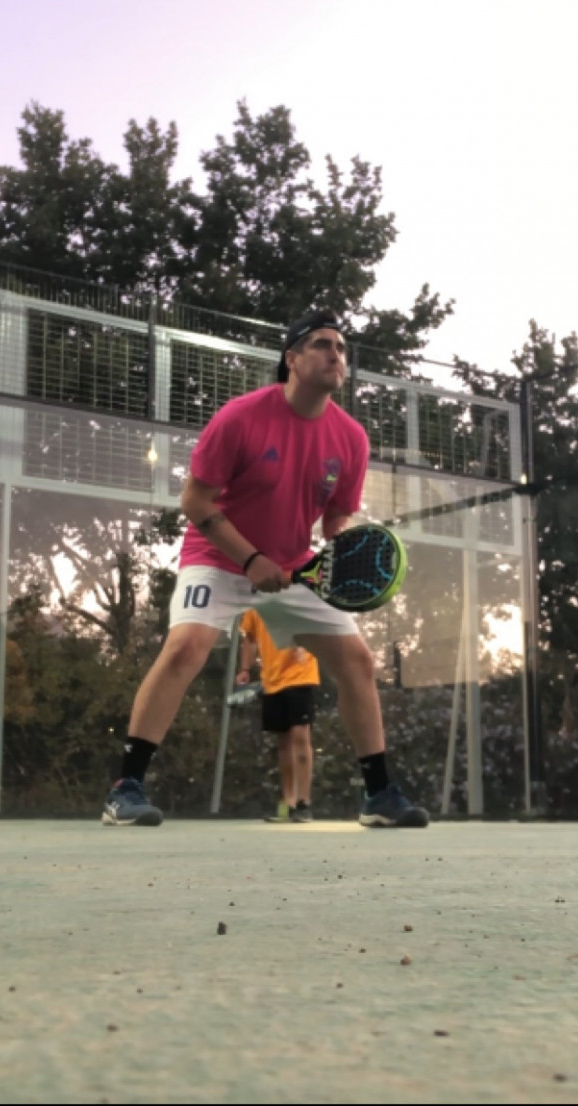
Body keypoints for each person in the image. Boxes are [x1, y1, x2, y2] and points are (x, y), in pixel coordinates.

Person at [102, 308, 429, 829]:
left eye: (342, 348)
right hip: (217, 557)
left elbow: (336, 518)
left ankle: (378, 795)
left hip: (294, 568)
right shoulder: (240, 417)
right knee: (185, 648)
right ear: (292, 358)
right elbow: (194, 501)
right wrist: (251, 559)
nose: (336, 355)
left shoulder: (351, 439)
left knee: (358, 662)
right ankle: (126, 789)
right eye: (323, 344)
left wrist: (345, 551)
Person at [238, 609, 317, 822]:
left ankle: (304, 803)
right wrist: (244, 669)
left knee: (301, 736)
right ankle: (289, 804)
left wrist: (306, 645)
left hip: (301, 675)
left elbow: (316, 625)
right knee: (283, 743)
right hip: (271, 680)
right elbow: (250, 638)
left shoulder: (299, 596)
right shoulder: (255, 605)